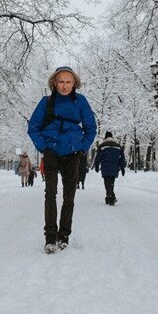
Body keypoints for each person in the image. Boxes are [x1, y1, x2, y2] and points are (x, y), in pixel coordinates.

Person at [27, 65, 97, 254]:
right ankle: (50, 237)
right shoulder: (46, 102)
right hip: (51, 150)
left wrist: (82, 147)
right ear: (54, 83)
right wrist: (43, 147)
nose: (65, 86)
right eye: (61, 82)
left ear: (74, 83)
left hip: (73, 152)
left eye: (68, 82)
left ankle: (64, 235)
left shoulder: (81, 102)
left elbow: (91, 128)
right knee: (50, 193)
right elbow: (33, 127)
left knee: (69, 195)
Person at [94, 132, 126, 205]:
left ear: (105, 137)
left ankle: (111, 197)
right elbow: (121, 157)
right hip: (115, 166)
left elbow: (98, 156)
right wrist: (122, 167)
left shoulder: (102, 146)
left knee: (106, 182)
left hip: (105, 166)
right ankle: (108, 197)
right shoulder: (118, 146)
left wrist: (96, 165)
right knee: (111, 182)